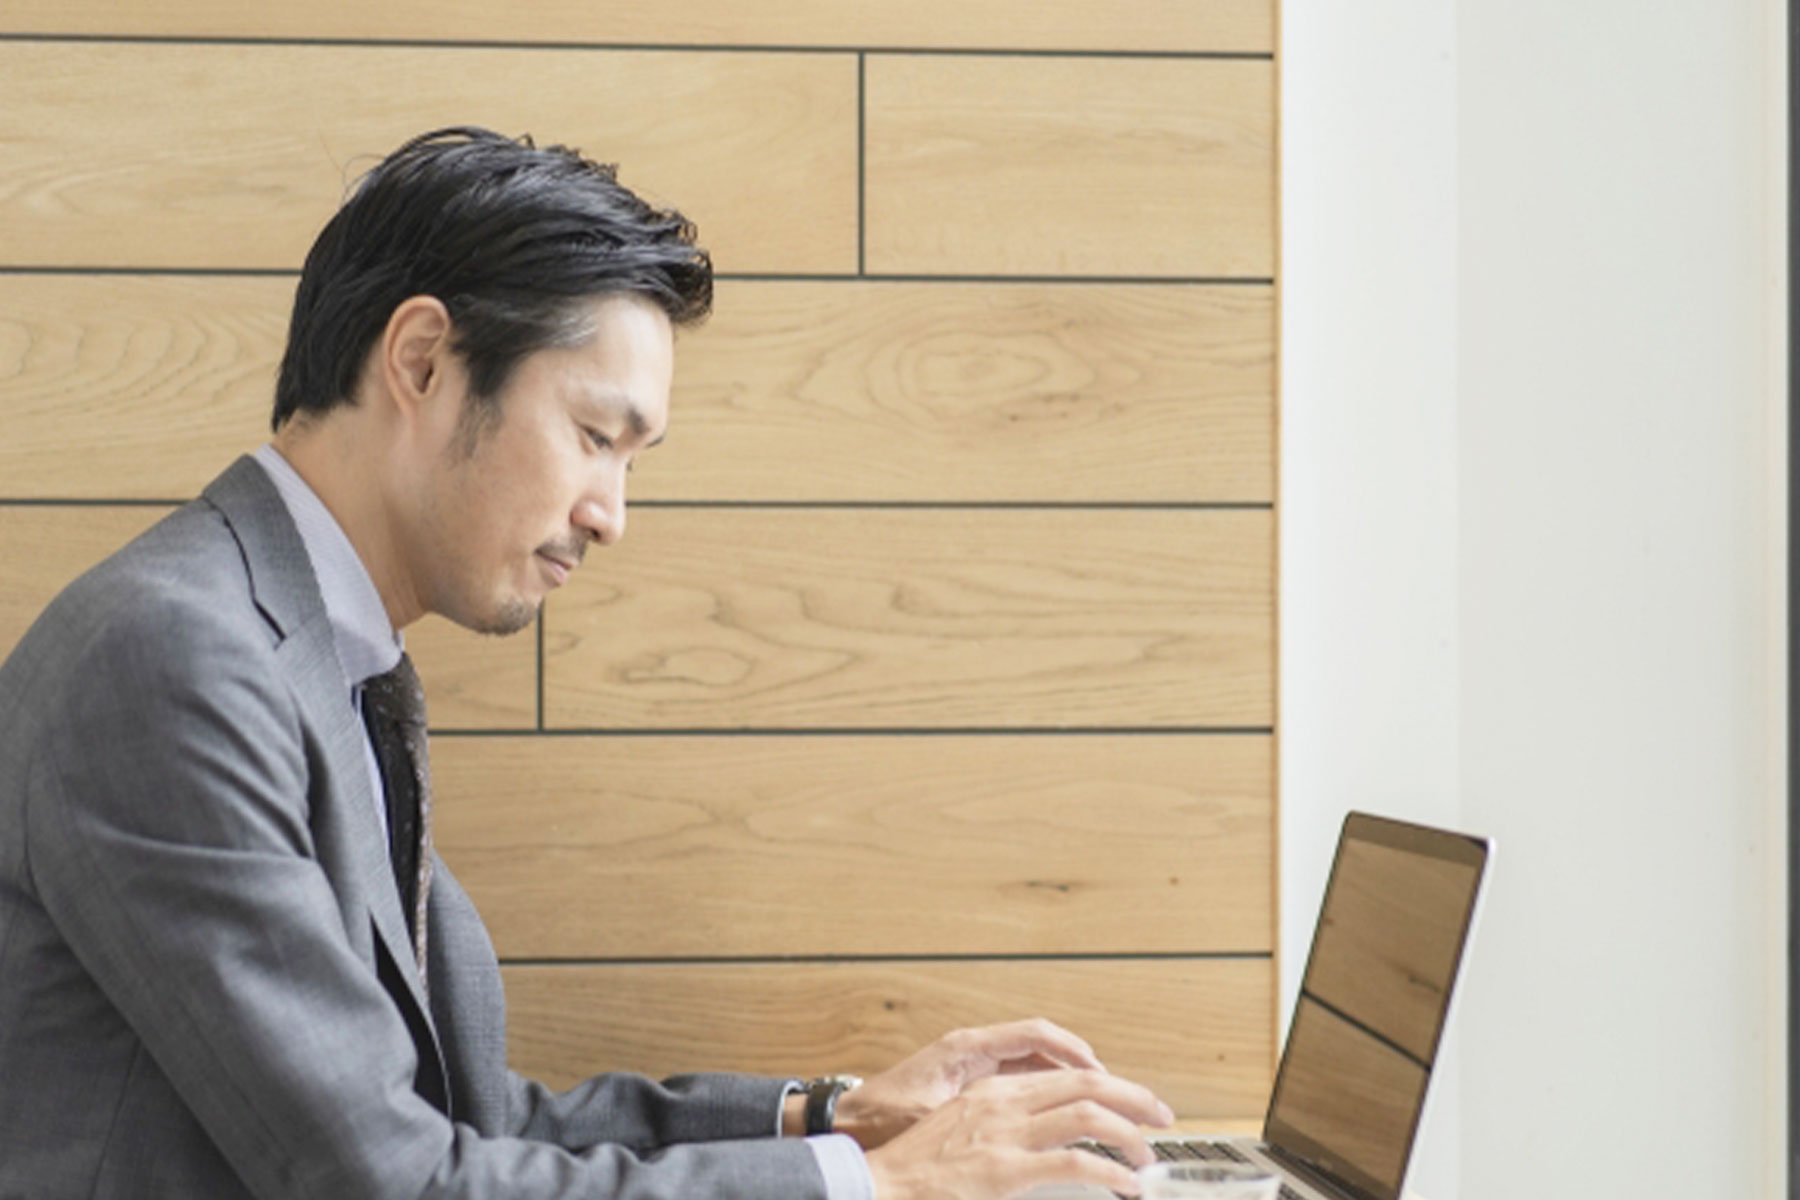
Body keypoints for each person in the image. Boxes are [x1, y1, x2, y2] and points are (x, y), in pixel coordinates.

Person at [0, 127, 1172, 1200]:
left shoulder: (306, 654)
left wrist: (832, 1118)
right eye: (595, 437)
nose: (610, 514)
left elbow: (473, 1123)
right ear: (423, 360)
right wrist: (889, 1186)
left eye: (631, 461)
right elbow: (393, 1182)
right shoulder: (175, 663)